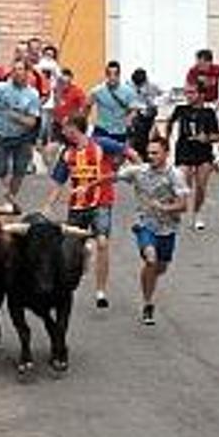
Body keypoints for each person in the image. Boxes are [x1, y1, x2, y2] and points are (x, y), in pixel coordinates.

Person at [44, 114, 137, 309]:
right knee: (69, 248)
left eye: (65, 127)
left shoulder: (101, 143)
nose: (62, 132)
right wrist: (48, 205)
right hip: (77, 206)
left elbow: (129, 152)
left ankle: (100, 291)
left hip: (101, 201)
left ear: (73, 128)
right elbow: (58, 183)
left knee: (102, 242)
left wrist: (141, 172)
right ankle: (69, 280)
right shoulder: (66, 153)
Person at [115, 136, 189, 325]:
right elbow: (112, 176)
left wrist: (163, 208)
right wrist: (90, 182)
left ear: (166, 153)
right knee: (151, 259)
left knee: (160, 267)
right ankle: (148, 303)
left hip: (167, 227)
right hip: (144, 224)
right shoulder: (139, 171)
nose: (151, 156)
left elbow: (183, 206)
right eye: (149, 153)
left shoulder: (176, 175)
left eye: (155, 153)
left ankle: (151, 277)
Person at [0, 59, 41, 212]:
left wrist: (16, 116)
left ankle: (10, 198)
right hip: (0, 134)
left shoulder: (32, 94)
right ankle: (8, 193)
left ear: (27, 73)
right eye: (14, 69)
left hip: (22, 137)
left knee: (20, 169)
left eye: (21, 69)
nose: (17, 72)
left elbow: (32, 122)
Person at [166, 83, 219, 231]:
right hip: (184, 149)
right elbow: (170, 122)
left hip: (203, 152)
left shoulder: (209, 113)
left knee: (201, 186)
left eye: (192, 93)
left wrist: (207, 137)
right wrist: (166, 141)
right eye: (187, 93)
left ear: (201, 95)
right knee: (183, 181)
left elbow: (218, 135)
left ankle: (197, 213)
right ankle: (177, 208)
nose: (188, 96)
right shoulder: (180, 109)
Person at [87, 61, 138, 146]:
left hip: (119, 130)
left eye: (115, 74)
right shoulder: (97, 90)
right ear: (106, 75)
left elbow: (134, 110)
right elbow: (87, 106)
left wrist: (129, 119)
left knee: (117, 156)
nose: (112, 77)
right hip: (102, 129)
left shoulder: (128, 91)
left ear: (119, 75)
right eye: (109, 74)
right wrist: (85, 123)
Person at [128, 68, 162, 161]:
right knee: (137, 140)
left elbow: (163, 95)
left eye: (141, 84)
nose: (138, 86)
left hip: (150, 115)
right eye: (136, 84)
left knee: (148, 140)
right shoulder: (128, 86)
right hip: (137, 116)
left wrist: (154, 102)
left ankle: (147, 157)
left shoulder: (152, 86)